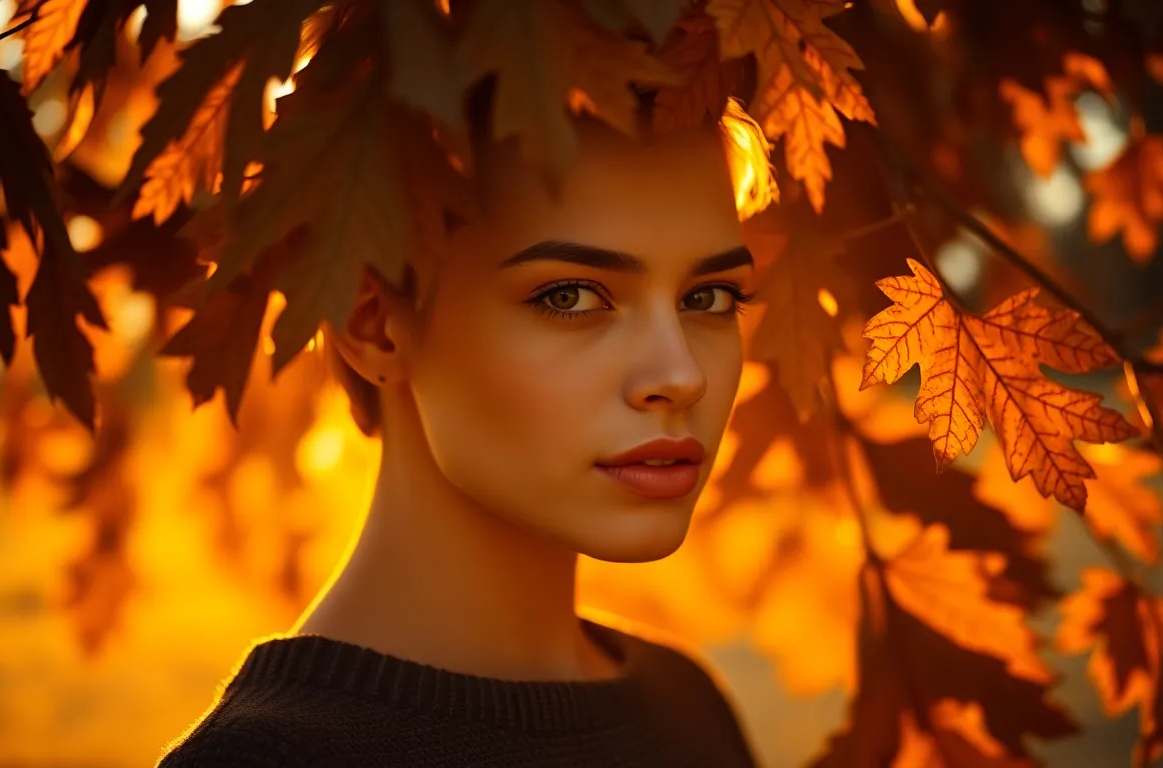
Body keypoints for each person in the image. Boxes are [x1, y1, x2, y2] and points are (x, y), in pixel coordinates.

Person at [157, 75, 767, 767]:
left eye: (709, 297)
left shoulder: (687, 709)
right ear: (376, 325)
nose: (681, 374)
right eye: (569, 296)